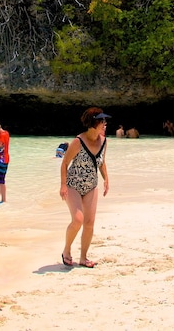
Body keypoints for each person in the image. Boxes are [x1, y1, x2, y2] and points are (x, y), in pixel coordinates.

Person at [60, 108, 111, 268]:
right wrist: (62, 185)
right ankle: (67, 250)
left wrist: (106, 179)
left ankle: (83, 257)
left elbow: (101, 162)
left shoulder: (103, 141)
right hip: (73, 185)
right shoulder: (78, 141)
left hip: (91, 185)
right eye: (102, 121)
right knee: (78, 220)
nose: (105, 124)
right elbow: (65, 163)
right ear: (94, 123)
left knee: (89, 222)